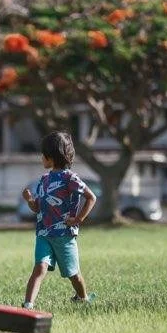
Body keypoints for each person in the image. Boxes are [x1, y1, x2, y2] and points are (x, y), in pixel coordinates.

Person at [21, 131, 97, 309]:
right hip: (44, 234)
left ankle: (82, 298)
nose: (41, 158)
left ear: (51, 158)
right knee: (39, 268)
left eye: (43, 155)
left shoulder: (70, 178)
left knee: (74, 274)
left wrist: (78, 219)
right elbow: (38, 207)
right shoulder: (44, 180)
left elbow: (91, 197)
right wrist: (30, 200)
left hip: (64, 235)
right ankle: (28, 305)